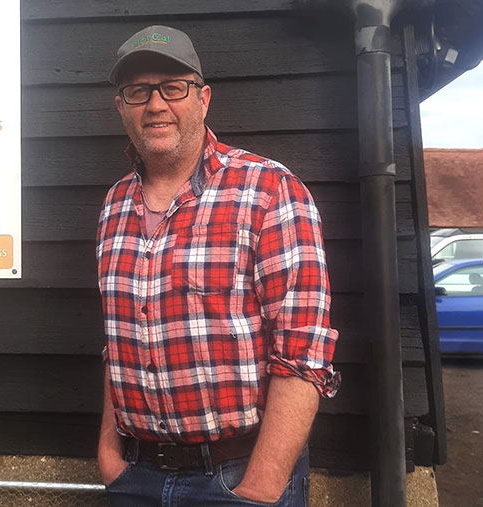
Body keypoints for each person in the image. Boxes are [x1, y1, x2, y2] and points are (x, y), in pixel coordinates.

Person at [96, 25, 340, 506]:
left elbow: (303, 354)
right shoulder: (114, 204)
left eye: (173, 88)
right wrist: (109, 451)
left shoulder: (269, 191)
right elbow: (119, 338)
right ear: (121, 106)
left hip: (238, 478)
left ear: (203, 99)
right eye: (138, 91)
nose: (156, 105)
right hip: (136, 476)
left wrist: (261, 486)